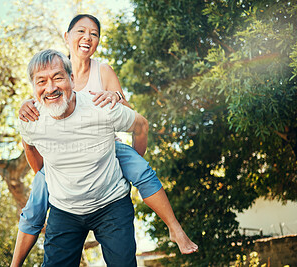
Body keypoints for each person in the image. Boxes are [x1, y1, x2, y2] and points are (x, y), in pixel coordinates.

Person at [12, 14, 197, 265]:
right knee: (35, 204)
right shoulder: (52, 70)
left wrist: (115, 99)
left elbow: (134, 118)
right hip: (62, 161)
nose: (87, 37)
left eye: (94, 34)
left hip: (106, 143)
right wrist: (45, 170)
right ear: (67, 38)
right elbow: (38, 117)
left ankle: (174, 227)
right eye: (80, 32)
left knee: (142, 172)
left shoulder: (102, 72)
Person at [16, 49, 147, 266]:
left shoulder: (101, 107)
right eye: (41, 81)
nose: (51, 88)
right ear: (33, 88)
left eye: (58, 78)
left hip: (111, 202)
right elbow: (28, 144)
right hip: (64, 210)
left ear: (72, 79)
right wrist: (43, 175)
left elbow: (141, 125)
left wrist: (133, 161)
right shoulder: (31, 119)